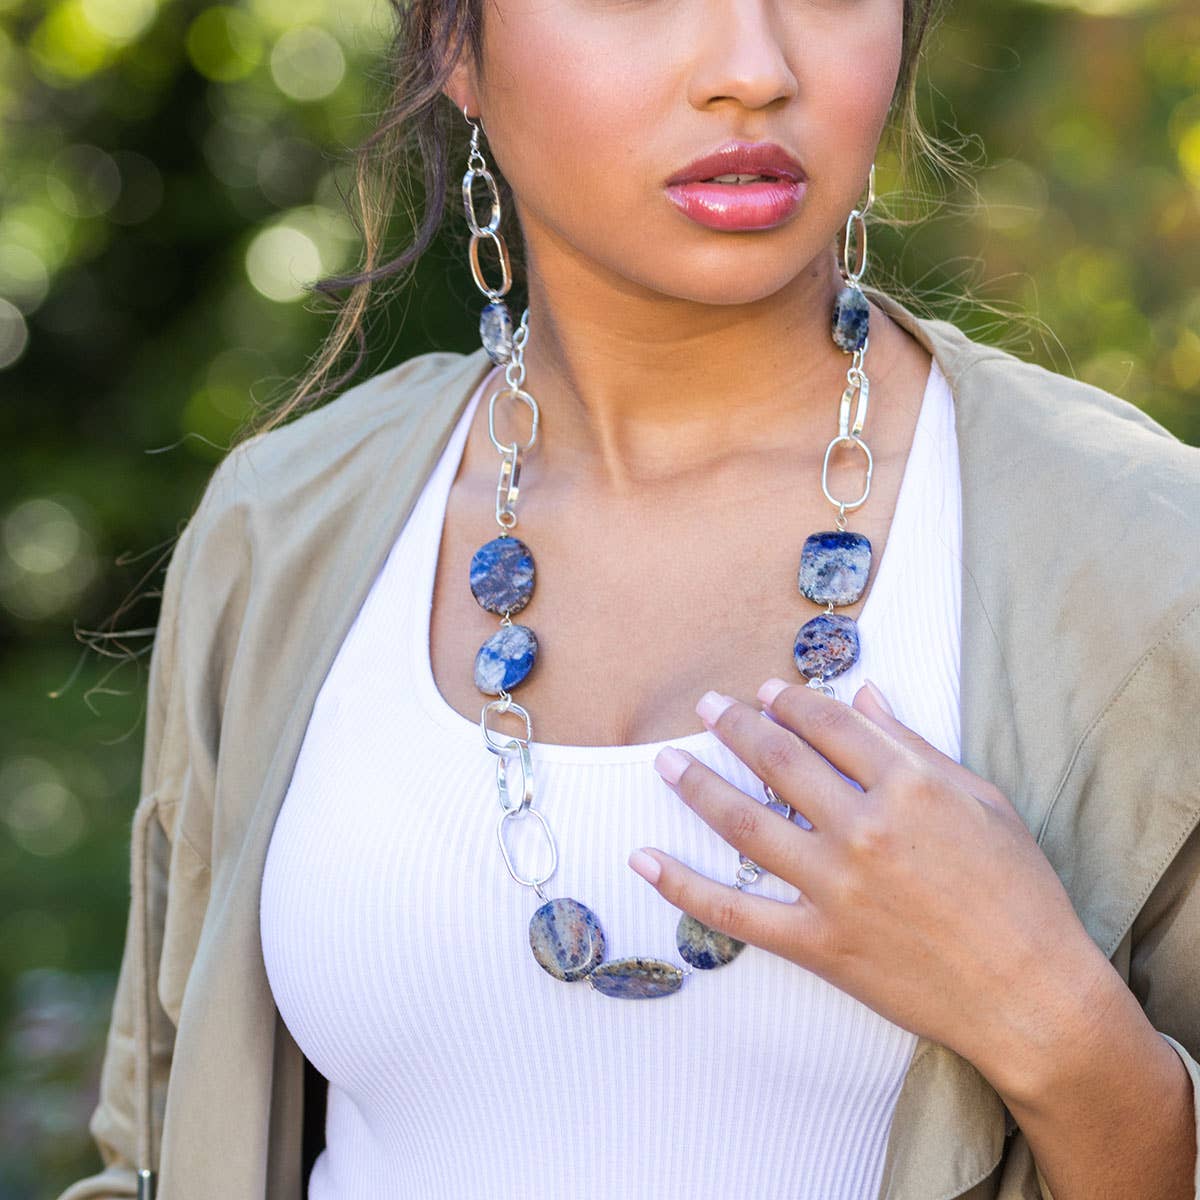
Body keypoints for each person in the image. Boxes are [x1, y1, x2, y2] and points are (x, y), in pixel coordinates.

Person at [59, 2, 1200, 1199]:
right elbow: (155, 1143)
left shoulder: (1138, 563)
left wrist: (1060, 1028)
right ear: (456, 45)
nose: (753, 71)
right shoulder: (284, 527)